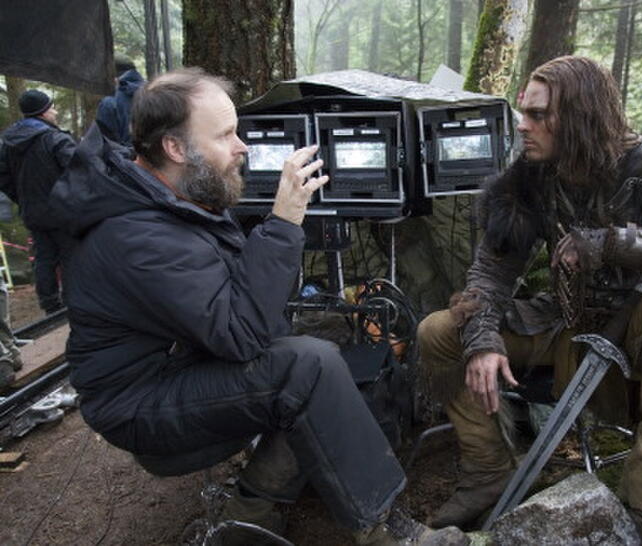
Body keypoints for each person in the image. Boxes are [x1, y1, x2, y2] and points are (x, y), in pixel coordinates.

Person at [50, 68, 464, 546]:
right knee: (306, 366)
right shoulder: (136, 234)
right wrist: (284, 222)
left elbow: (229, 304)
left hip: (176, 364)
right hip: (139, 402)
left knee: (324, 342)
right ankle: (384, 528)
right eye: (225, 135)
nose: (242, 146)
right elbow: (241, 334)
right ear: (176, 148)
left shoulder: (167, 196)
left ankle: (253, 508)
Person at [418, 56, 642, 545]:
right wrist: (481, 339)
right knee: (440, 332)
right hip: (565, 327)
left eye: (538, 115)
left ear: (581, 116)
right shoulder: (532, 175)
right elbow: (492, 270)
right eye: (524, 112)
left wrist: (615, 243)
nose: (523, 126)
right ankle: (487, 471)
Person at [0, 89, 76, 313]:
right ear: (42, 112)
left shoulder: (8, 143)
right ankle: (73, 300)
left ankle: (49, 303)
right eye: (52, 107)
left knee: (44, 257)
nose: (55, 111)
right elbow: (78, 169)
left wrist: (22, 197)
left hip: (32, 211)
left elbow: (3, 177)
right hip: (62, 210)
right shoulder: (55, 139)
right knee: (70, 255)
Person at [95, 54, 145, 147]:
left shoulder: (109, 103)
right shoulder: (156, 93)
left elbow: (105, 146)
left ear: (112, 77)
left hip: (126, 155)